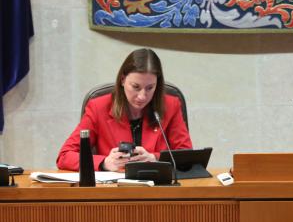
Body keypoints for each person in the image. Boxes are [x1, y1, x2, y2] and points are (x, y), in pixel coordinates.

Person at [56, 48, 192, 172]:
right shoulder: (98, 107)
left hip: (159, 191)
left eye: (150, 88)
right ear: (122, 80)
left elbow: (187, 156)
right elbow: (64, 156)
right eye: (136, 86)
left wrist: (155, 158)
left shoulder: (171, 105)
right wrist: (104, 163)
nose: (142, 96)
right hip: (114, 192)